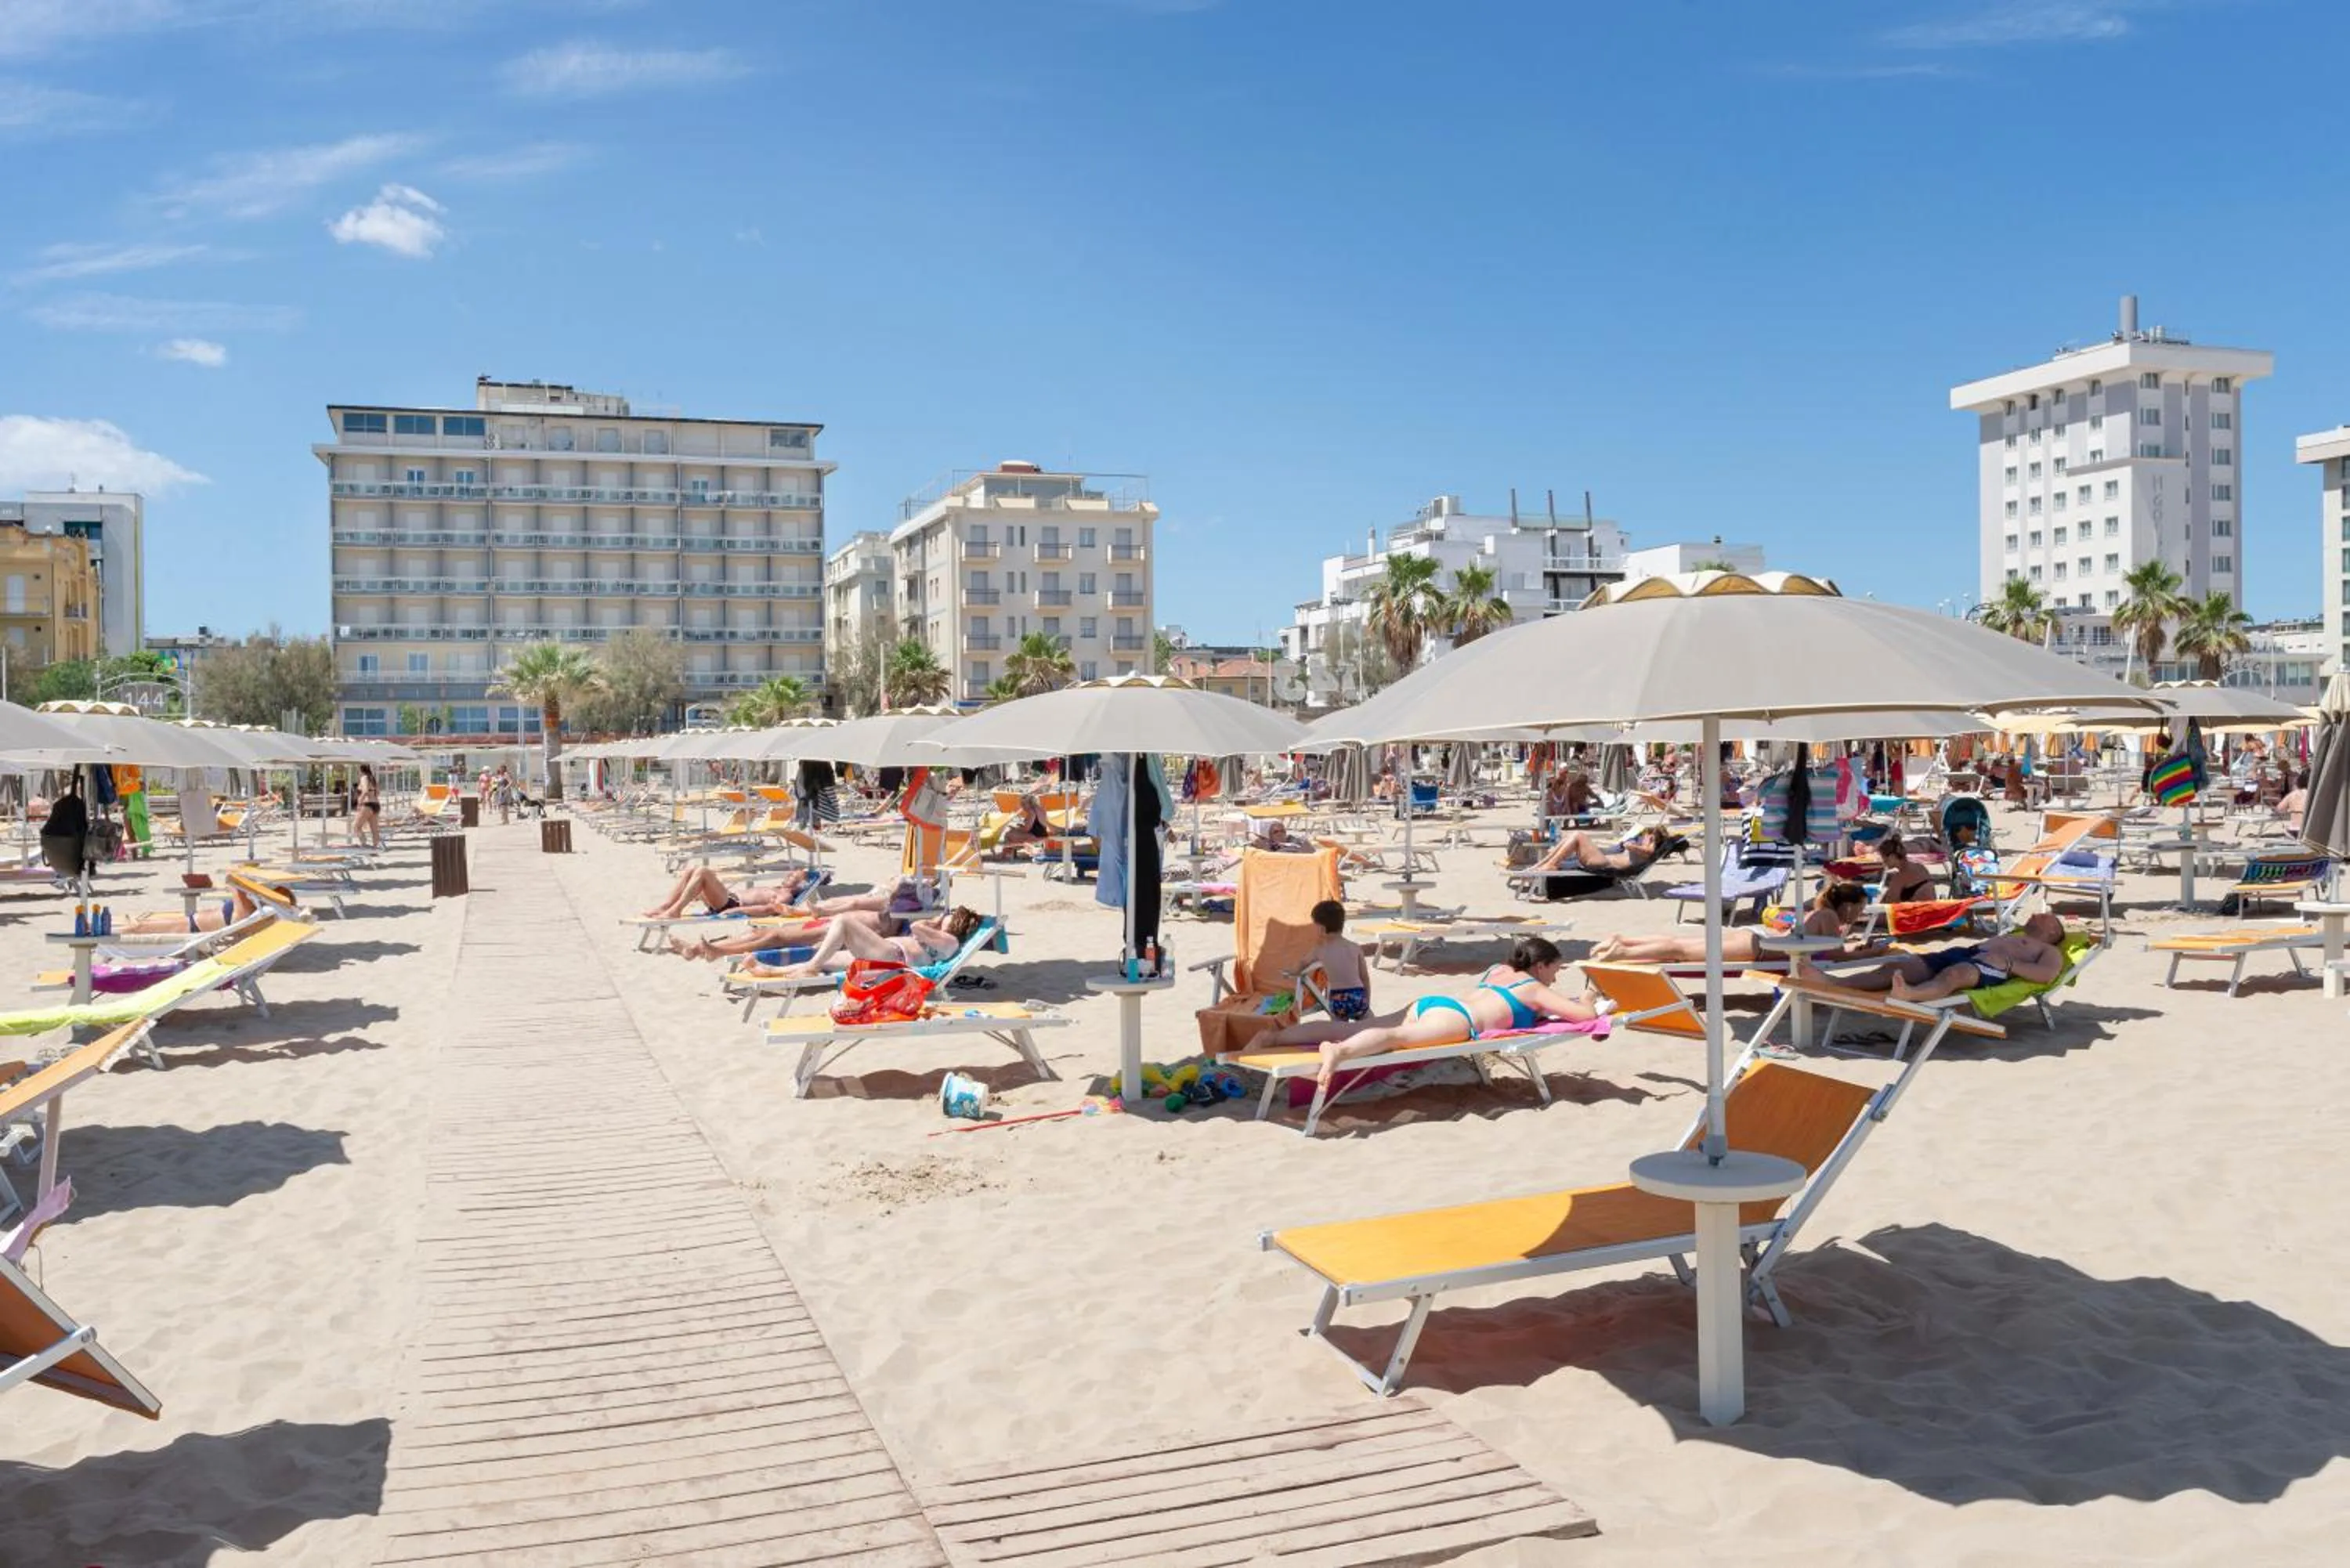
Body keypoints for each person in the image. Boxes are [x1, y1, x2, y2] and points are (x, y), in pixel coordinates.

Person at [1256, 936, 1607, 1095]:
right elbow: (1582, 1015)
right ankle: (1340, 1052)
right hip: (1458, 1022)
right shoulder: (1533, 987)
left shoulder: (1498, 970)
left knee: (1362, 1027)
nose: (1556, 978)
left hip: (1433, 1003)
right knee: (1395, 1040)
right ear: (1540, 965)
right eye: (1555, 970)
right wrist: (1591, 993)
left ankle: (1272, 1037)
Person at [1589, 881, 1886, 966]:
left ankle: (1624, 941)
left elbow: (1827, 948)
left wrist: (1854, 944)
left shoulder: (1823, 913)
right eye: (1859, 908)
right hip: (1759, 949)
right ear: (1848, 905)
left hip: (1755, 937)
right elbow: (1834, 956)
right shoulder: (1831, 918)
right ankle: (1622, 953)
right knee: (1681, 952)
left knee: (1681, 945)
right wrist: (1873, 953)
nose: (1859, 914)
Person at [1839, 912, 2069, 1003]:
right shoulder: (2016, 934)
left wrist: (2010, 964)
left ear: (2053, 932)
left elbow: (2047, 975)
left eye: (2047, 917)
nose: (2037, 914)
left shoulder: (2050, 951)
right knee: (1901, 966)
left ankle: (1911, 994)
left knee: (1954, 975)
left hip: (1990, 966)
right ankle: (1836, 983)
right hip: (1967, 953)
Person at [765, 906, 985, 978]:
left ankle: (810, 969)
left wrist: (932, 921)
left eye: (947, 917)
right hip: (885, 954)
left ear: (956, 923)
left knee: (843, 922)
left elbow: (917, 927)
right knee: (825, 958)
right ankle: (771, 972)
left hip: (892, 957)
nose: (942, 919)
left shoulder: (950, 941)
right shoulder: (944, 939)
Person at [642, 863, 815, 919]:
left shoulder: (785, 895)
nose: (789, 875)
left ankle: (675, 911)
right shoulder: (777, 888)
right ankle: (666, 906)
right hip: (726, 899)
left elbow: (769, 910)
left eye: (794, 876)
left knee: (703, 872)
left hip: (731, 904)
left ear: (799, 885)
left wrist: (738, 911)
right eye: (791, 873)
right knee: (691, 870)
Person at [1302, 899, 1371, 1021]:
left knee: (1338, 1029)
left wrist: (1291, 971)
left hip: (1337, 998)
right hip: (1357, 996)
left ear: (1321, 929)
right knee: (1369, 1025)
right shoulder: (1355, 948)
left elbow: (1303, 964)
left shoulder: (1320, 950)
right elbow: (1365, 978)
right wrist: (1367, 1002)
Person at [1528, 825, 1674, 876]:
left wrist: (1641, 842)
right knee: (1570, 837)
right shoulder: (1644, 849)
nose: (1642, 837)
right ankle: (1542, 865)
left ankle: (1550, 865)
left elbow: (1639, 849)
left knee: (1578, 835)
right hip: (1603, 861)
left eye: (1646, 835)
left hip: (1603, 864)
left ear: (1653, 838)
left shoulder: (1648, 851)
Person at [1873, 834, 1936, 903]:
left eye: (1885, 860)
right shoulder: (1919, 866)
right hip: (1931, 908)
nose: (1884, 863)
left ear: (1892, 857)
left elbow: (1887, 904)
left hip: (1920, 911)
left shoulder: (1900, 877)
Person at [352, 764, 381, 849]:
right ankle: (375, 848)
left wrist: (359, 802)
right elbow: (378, 792)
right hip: (376, 804)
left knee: (356, 826)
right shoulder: (372, 778)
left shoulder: (364, 778)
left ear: (360, 770)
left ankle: (364, 845)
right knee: (374, 830)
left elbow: (365, 791)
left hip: (368, 804)